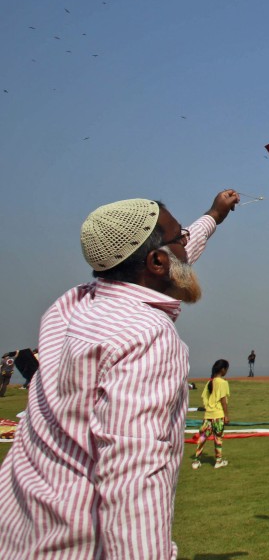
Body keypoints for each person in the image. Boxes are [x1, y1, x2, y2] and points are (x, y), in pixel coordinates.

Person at [0, 190, 239, 558]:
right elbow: (134, 481)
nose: (186, 244)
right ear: (158, 262)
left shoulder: (70, 306)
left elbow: (177, 258)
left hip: (21, 537)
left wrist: (213, 216)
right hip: (77, 548)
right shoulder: (147, 336)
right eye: (180, 238)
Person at [192, 359, 232, 469]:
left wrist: (209, 408)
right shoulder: (223, 383)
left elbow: (204, 398)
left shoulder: (209, 382)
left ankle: (196, 461)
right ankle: (218, 461)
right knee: (218, 438)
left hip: (208, 416)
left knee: (203, 437)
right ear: (223, 370)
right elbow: (223, 400)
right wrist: (226, 415)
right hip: (218, 416)